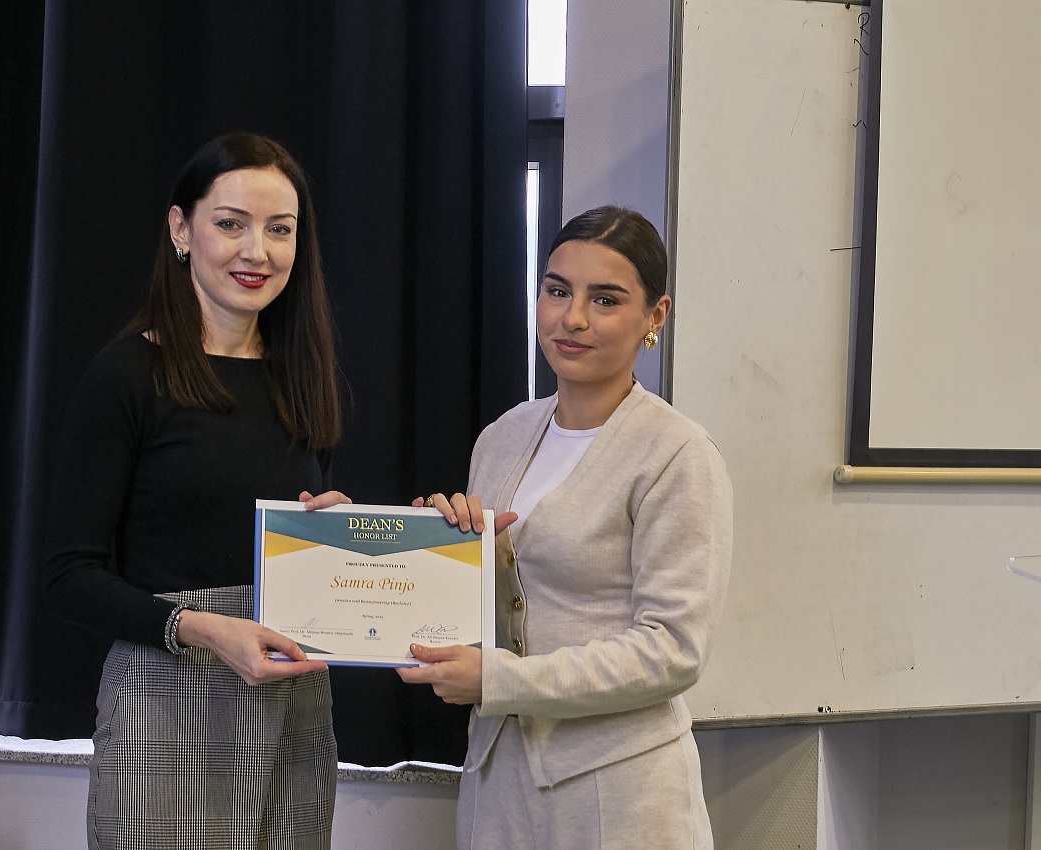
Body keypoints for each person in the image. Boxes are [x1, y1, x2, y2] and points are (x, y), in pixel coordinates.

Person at [42, 132, 350, 850]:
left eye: (280, 230)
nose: (257, 251)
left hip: (290, 700)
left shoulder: (303, 376)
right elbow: (67, 577)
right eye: (231, 224)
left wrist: (332, 539)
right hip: (166, 695)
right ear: (182, 230)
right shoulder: (126, 376)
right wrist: (204, 629)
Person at [400, 206, 733, 849]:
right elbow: (496, 613)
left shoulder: (678, 455)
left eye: (604, 300)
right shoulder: (502, 437)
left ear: (656, 316)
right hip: (498, 784)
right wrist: (437, 554)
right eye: (557, 291)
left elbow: (673, 650)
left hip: (621, 795)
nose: (572, 318)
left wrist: (498, 680)